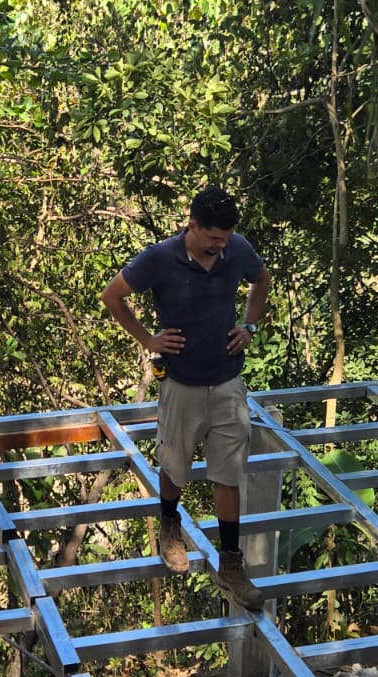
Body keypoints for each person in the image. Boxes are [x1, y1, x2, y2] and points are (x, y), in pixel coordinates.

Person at [100, 186, 271, 612]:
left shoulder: (237, 250)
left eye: (227, 237)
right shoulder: (160, 258)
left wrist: (249, 327)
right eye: (214, 236)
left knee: (229, 472)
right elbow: (112, 295)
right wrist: (147, 339)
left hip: (228, 384)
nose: (221, 244)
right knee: (175, 462)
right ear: (192, 225)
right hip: (181, 383)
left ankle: (230, 562)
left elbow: (262, 280)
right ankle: (169, 524)